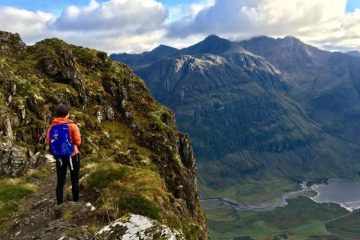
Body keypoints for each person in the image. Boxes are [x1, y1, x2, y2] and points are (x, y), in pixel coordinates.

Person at [46, 103, 81, 205]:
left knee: (60, 181)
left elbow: (49, 142)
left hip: (59, 157)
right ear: (67, 114)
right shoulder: (72, 126)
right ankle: (76, 202)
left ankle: (60, 204)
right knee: (75, 180)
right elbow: (78, 142)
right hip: (73, 155)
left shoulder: (51, 127)